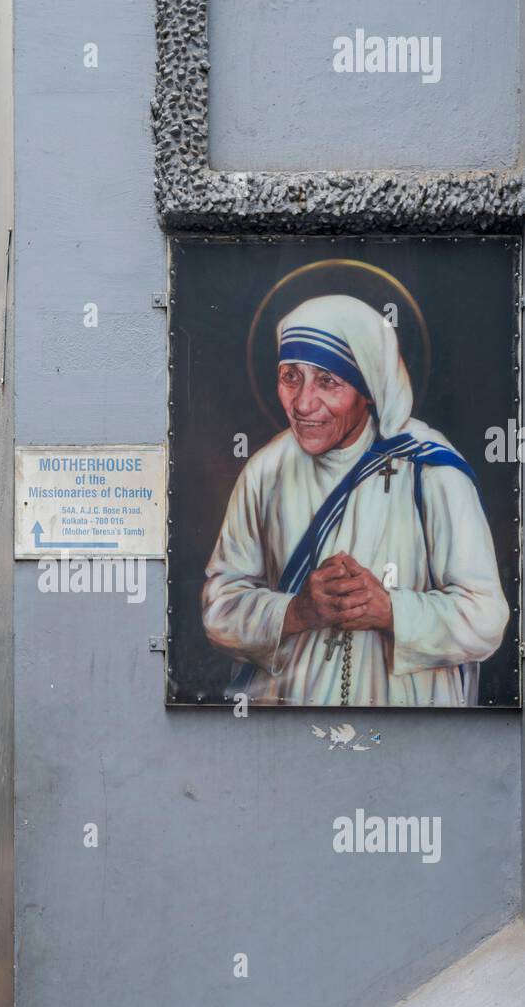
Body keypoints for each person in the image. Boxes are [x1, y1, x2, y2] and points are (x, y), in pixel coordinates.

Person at [202, 294, 509, 706]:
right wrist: (296, 612)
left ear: (368, 389)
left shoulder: (430, 469)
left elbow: (487, 619)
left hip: (412, 725)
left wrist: (389, 610)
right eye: (291, 376)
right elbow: (220, 608)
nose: (303, 403)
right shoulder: (266, 471)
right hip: (287, 722)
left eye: (328, 381)